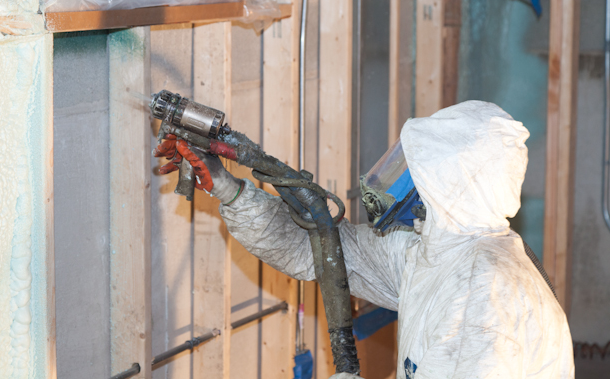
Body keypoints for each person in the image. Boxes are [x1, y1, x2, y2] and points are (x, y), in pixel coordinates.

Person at [155, 101, 575, 379]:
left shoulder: (483, 296)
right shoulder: (434, 254)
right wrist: (228, 189)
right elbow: (319, 250)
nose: (399, 181)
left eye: (416, 172)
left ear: (452, 185)